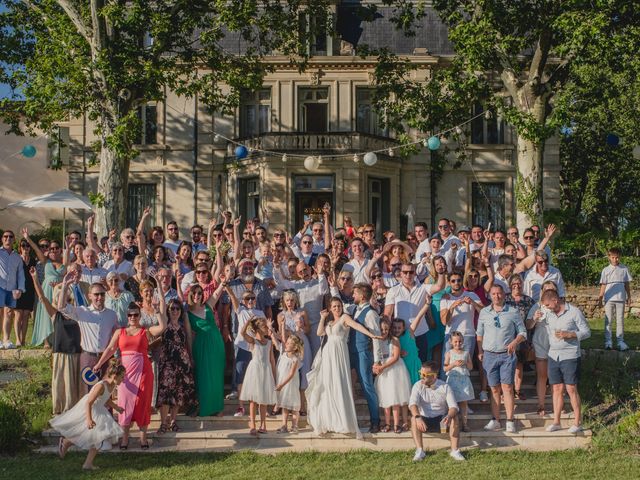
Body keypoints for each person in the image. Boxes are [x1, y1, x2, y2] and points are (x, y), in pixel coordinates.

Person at [93, 301, 167, 449]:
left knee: (143, 403)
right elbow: (110, 348)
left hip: (144, 371)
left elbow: (162, 327)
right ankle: (125, 438)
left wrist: (158, 311)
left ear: (140, 316)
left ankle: (143, 438)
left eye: (135, 315)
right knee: (124, 403)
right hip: (124, 374)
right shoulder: (119, 332)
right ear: (127, 316)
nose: (133, 317)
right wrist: (99, 364)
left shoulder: (145, 331)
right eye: (130, 315)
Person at [305, 297, 381, 439]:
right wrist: (322, 318)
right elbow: (319, 333)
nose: (337, 308)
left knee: (339, 384)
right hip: (328, 354)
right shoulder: (329, 322)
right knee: (328, 385)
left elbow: (357, 326)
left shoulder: (345, 317)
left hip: (340, 352)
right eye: (334, 306)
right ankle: (330, 421)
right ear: (330, 308)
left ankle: (343, 421)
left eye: (338, 306)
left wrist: (370, 334)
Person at [52, 359, 126, 470]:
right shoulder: (101, 385)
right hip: (90, 409)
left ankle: (70, 446)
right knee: (93, 437)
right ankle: (68, 444)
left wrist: (117, 408)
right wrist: (89, 419)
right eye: (122, 377)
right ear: (115, 376)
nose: (123, 379)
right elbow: (89, 402)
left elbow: (106, 398)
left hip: (99, 409)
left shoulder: (112, 385)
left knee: (95, 437)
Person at [477, 284, 527, 434]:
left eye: (499, 293)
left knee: (507, 387)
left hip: (507, 355)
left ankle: (510, 420)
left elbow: (523, 332)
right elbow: (479, 333)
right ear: (490, 296)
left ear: (504, 295)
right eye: (493, 294)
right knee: (493, 388)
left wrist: (515, 342)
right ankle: (496, 419)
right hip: (489, 354)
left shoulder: (513, 312)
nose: (497, 296)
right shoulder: (484, 312)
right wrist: (480, 351)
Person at [32, 268, 81, 414]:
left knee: (73, 388)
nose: (63, 298)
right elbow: (41, 297)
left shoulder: (77, 314)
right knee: (60, 385)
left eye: (66, 297)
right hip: (60, 354)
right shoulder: (55, 315)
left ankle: (73, 412)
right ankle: (59, 412)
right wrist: (35, 278)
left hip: (76, 355)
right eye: (61, 296)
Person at [541, 290, 590, 434]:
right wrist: (535, 317)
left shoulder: (574, 312)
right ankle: (556, 421)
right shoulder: (548, 314)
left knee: (571, 389)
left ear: (556, 300)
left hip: (569, 356)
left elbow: (587, 332)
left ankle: (577, 422)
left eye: (548, 304)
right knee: (556, 389)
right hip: (553, 355)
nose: (547, 307)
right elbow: (533, 324)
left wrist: (571, 334)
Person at [59, 280, 118, 394]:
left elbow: (116, 336)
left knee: (106, 394)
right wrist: (65, 285)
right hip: (88, 357)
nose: (99, 297)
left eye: (102, 294)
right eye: (96, 294)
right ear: (89, 296)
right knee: (88, 394)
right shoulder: (82, 312)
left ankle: (106, 413)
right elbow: (62, 307)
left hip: (106, 358)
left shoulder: (112, 315)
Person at [384, 262, 446, 363]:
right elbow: (387, 314)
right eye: (405, 272)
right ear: (401, 274)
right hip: (400, 334)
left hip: (420, 333)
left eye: (411, 272)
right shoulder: (393, 290)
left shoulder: (423, 288)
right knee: (403, 365)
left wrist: (441, 272)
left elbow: (439, 286)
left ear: (415, 274)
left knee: (421, 364)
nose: (408, 275)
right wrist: (389, 335)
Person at [409, 362, 464, 462]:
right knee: (413, 418)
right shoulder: (417, 385)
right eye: (420, 373)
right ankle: (420, 451)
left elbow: (454, 407)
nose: (421, 377)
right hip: (424, 422)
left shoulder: (445, 386)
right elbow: (412, 404)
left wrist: (449, 416)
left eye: (425, 375)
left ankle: (455, 451)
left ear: (434, 376)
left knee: (454, 417)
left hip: (442, 422)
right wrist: (418, 417)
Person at [187, 281, 227, 416]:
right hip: (201, 346)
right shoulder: (187, 313)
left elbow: (217, 293)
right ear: (190, 295)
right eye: (195, 293)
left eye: (200, 293)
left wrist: (224, 281)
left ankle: (218, 408)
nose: (197, 295)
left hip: (216, 344)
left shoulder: (208, 306)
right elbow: (189, 335)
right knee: (203, 377)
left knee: (217, 376)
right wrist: (191, 354)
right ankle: (205, 408)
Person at [156, 298, 196, 434]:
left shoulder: (183, 326)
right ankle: (163, 423)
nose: (175, 311)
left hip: (182, 363)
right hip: (167, 363)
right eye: (172, 308)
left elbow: (188, 343)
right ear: (168, 310)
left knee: (178, 394)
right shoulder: (164, 324)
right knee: (166, 394)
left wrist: (190, 359)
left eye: (177, 309)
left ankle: (173, 422)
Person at [350, 282, 383, 433]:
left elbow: (376, 337)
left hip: (364, 353)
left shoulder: (370, 313)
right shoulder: (355, 310)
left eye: (355, 293)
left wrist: (377, 360)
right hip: (352, 352)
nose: (352, 296)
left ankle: (375, 421)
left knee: (367, 386)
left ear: (362, 296)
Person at [25, 229, 65, 347]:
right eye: (51, 248)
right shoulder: (45, 261)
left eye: (56, 248)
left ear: (60, 250)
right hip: (46, 290)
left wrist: (69, 245)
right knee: (46, 314)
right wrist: (28, 238)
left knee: (58, 314)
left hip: (59, 292)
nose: (53, 250)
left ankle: (57, 339)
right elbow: (37, 249)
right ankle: (46, 341)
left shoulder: (64, 264)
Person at [239, 316, 277, 435]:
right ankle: (253, 425)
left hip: (266, 371)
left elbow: (272, 360)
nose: (267, 328)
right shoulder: (253, 341)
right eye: (264, 326)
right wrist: (249, 321)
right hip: (255, 371)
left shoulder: (269, 343)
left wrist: (274, 375)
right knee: (253, 400)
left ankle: (263, 424)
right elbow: (242, 332)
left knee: (263, 399)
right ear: (258, 329)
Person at [526, 280, 560, 416]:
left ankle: (557, 404)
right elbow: (528, 325)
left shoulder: (561, 306)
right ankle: (541, 404)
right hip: (541, 342)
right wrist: (534, 318)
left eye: (551, 290)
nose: (549, 292)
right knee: (542, 375)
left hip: (557, 344)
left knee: (556, 376)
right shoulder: (537, 306)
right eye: (546, 290)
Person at [374, 318, 412, 434]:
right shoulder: (377, 341)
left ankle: (396, 424)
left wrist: (383, 367)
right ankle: (387, 423)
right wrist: (376, 366)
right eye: (381, 329)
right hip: (384, 373)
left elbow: (395, 357)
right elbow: (377, 357)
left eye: (386, 329)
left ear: (389, 329)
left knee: (395, 398)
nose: (384, 331)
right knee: (386, 399)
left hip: (395, 371)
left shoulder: (394, 340)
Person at [598, 247, 632, 351]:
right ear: (609, 257)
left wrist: (629, 296)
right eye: (613, 257)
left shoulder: (624, 269)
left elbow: (627, 284)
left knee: (620, 320)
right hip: (609, 299)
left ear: (619, 257)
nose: (615, 260)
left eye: (617, 258)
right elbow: (603, 285)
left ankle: (620, 341)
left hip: (620, 298)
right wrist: (600, 298)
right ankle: (608, 341)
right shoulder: (605, 270)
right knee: (608, 320)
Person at [443, 332, 474, 431]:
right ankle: (449, 423)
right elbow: (445, 368)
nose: (458, 343)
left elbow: (471, 367)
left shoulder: (466, 353)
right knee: (451, 402)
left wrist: (465, 362)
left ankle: (465, 424)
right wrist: (453, 364)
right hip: (453, 380)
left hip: (463, 381)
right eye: (455, 341)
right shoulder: (449, 353)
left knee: (464, 403)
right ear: (451, 342)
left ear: (463, 341)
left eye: (460, 341)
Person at [274, 332, 304, 433]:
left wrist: (281, 385)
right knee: (285, 406)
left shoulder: (295, 359)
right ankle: (284, 425)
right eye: (286, 342)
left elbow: (291, 374)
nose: (286, 344)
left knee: (294, 407)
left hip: (290, 385)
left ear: (295, 347)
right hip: (282, 385)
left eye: (289, 343)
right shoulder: (283, 355)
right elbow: (276, 341)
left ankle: (295, 426)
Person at [12, 238, 36, 347]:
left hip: (30, 290)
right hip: (18, 290)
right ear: (20, 248)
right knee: (18, 314)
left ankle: (23, 340)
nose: (25, 248)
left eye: (27, 246)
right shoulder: (16, 259)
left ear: (30, 248)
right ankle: (17, 339)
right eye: (23, 246)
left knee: (26, 315)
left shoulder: (33, 261)